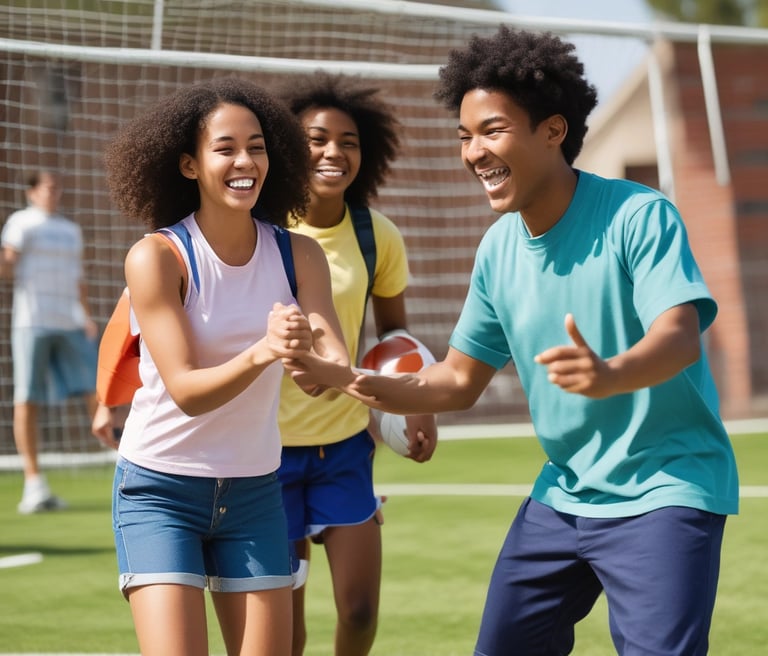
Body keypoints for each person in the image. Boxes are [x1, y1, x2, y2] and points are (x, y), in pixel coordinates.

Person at [299, 27, 740, 655]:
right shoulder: (498, 249)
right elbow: (455, 380)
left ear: (553, 131)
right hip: (562, 493)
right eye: (464, 136)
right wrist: (353, 382)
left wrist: (610, 373)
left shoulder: (638, 216)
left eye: (492, 131)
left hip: (664, 489)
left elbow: (678, 336)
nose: (474, 152)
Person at [92, 77, 350, 656]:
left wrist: (311, 358)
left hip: (256, 490)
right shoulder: (157, 257)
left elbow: (332, 367)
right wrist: (265, 349)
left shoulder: (299, 254)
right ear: (187, 164)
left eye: (257, 147)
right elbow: (186, 390)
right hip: (159, 490)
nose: (245, 161)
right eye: (225, 147)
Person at [274, 71, 438, 656]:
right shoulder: (258, 232)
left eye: (348, 141)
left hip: (345, 445)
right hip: (266, 455)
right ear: (289, 146)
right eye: (317, 139)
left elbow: (395, 336)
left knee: (362, 613)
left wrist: (417, 403)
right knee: (286, 636)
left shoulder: (377, 236)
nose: (333, 152)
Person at [0, 170, 99, 514]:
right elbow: (8, 262)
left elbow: (79, 279)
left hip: (70, 322)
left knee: (98, 391)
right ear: (31, 192)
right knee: (27, 397)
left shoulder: (71, 231)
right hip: (32, 323)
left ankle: (125, 464)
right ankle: (34, 485)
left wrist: (86, 316)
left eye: (58, 189)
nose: (53, 194)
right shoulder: (20, 223)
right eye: (47, 188)